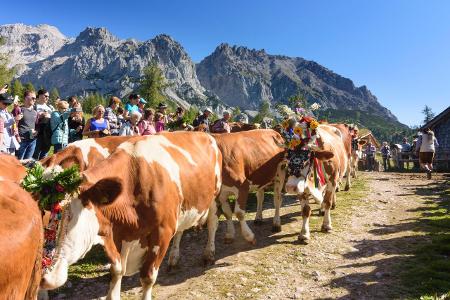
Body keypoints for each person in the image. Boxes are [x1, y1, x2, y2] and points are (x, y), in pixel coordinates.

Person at [17, 90, 38, 160]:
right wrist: (17, 136)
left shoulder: (35, 112)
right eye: (33, 98)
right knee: (18, 163)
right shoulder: (19, 109)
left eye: (35, 98)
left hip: (32, 140)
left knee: (27, 163)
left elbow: (37, 125)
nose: (35, 100)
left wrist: (36, 131)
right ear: (26, 98)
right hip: (21, 140)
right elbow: (13, 124)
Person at [33, 89, 54, 159]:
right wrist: (39, 116)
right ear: (40, 95)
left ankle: (41, 169)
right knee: (35, 153)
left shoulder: (50, 108)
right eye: (46, 96)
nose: (47, 97)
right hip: (38, 133)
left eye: (48, 96)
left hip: (48, 134)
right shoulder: (34, 106)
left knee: (44, 154)